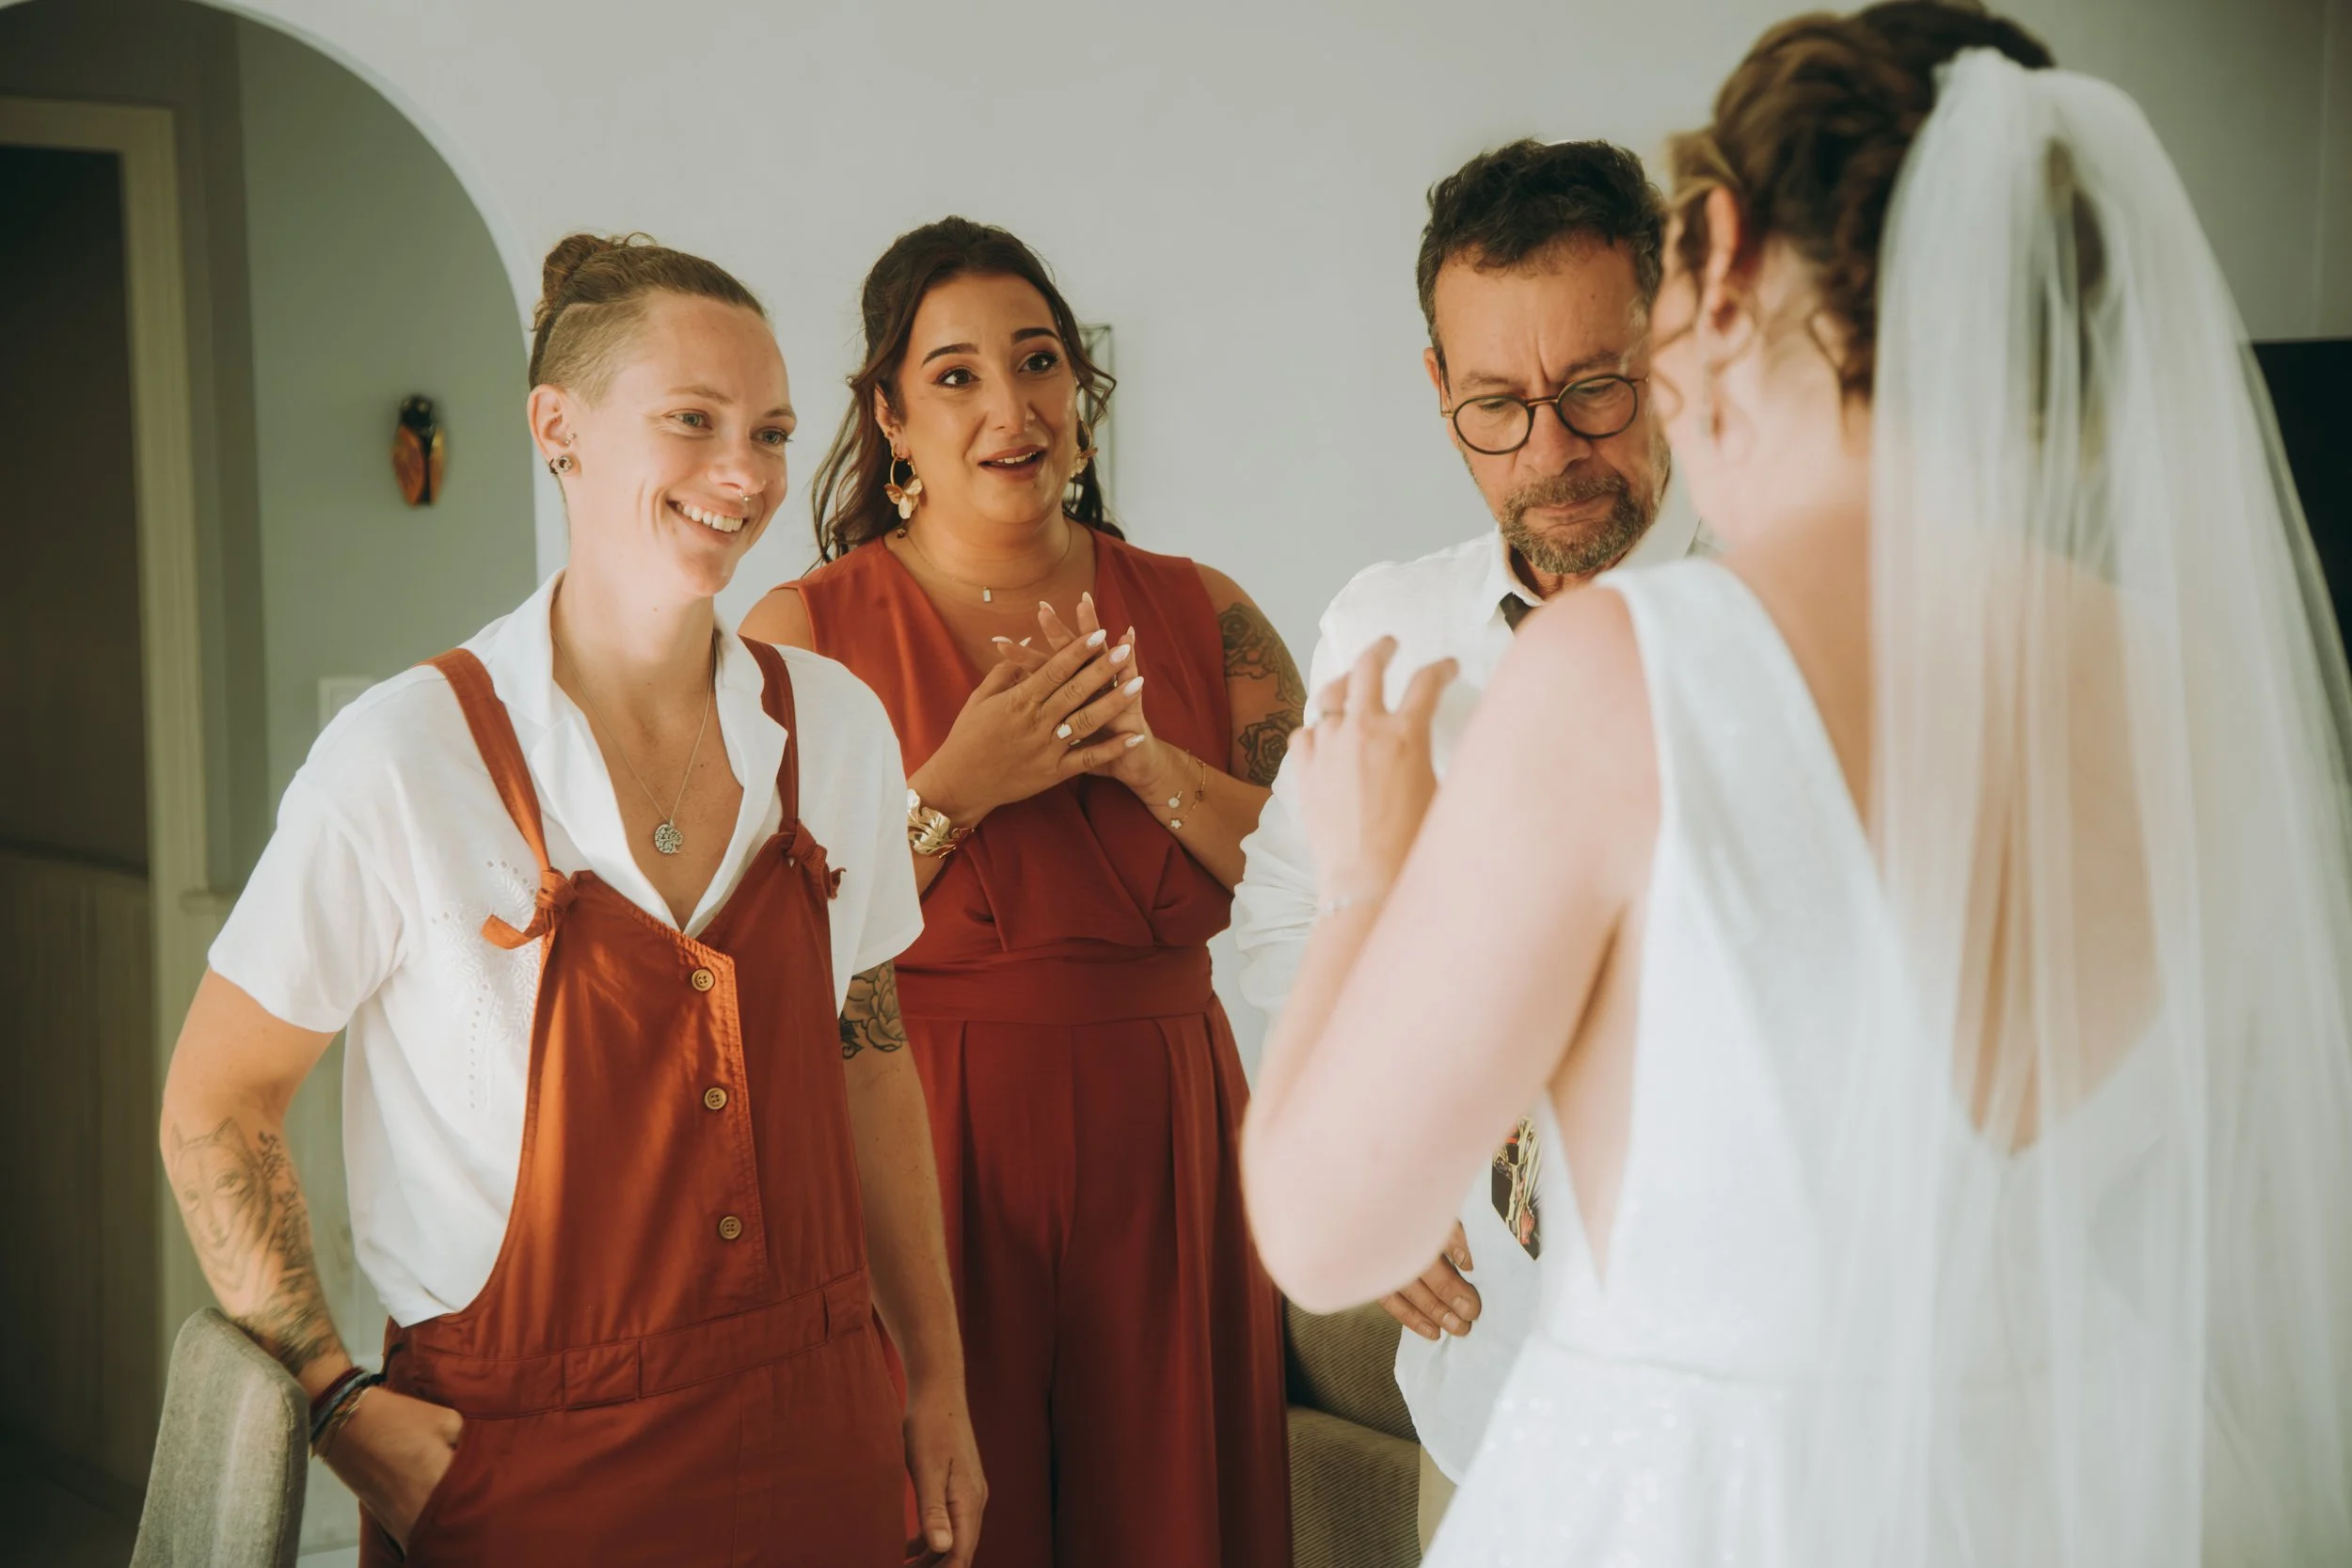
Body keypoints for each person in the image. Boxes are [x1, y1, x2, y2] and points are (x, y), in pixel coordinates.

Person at [1242, 3, 2352, 1564]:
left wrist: (1369, 870)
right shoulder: (2198, 688)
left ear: (1728, 258)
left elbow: (1319, 1220)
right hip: (2085, 1475)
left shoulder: (1632, 664)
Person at [159, 233, 984, 1567]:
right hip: (521, 1479)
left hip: (822, 1439)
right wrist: (332, 1400)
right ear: (559, 427)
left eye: (771, 431)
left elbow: (872, 1057)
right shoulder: (403, 758)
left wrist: (935, 1377)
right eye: (693, 422)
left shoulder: (833, 729)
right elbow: (213, 1099)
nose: (747, 472)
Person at [740, 217, 1295, 1568]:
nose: (1010, 405)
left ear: (1082, 401)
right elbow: (769, 944)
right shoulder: (802, 633)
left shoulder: (1203, 607)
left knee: (1172, 1519)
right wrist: (953, 791)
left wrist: (1151, 766)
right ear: (890, 419)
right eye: (956, 375)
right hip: (929, 1138)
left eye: (1038, 362)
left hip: (1172, 1137)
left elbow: (1322, 871)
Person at [1229, 136, 1700, 1552]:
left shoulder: (1768, 627)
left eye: (1594, 392)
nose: (1552, 452)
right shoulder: (1383, 624)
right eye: (1498, 404)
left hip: (1713, 1396)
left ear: (1670, 348)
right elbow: (1279, 919)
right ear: (1438, 393)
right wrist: (1389, 1153)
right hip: (1482, 1395)